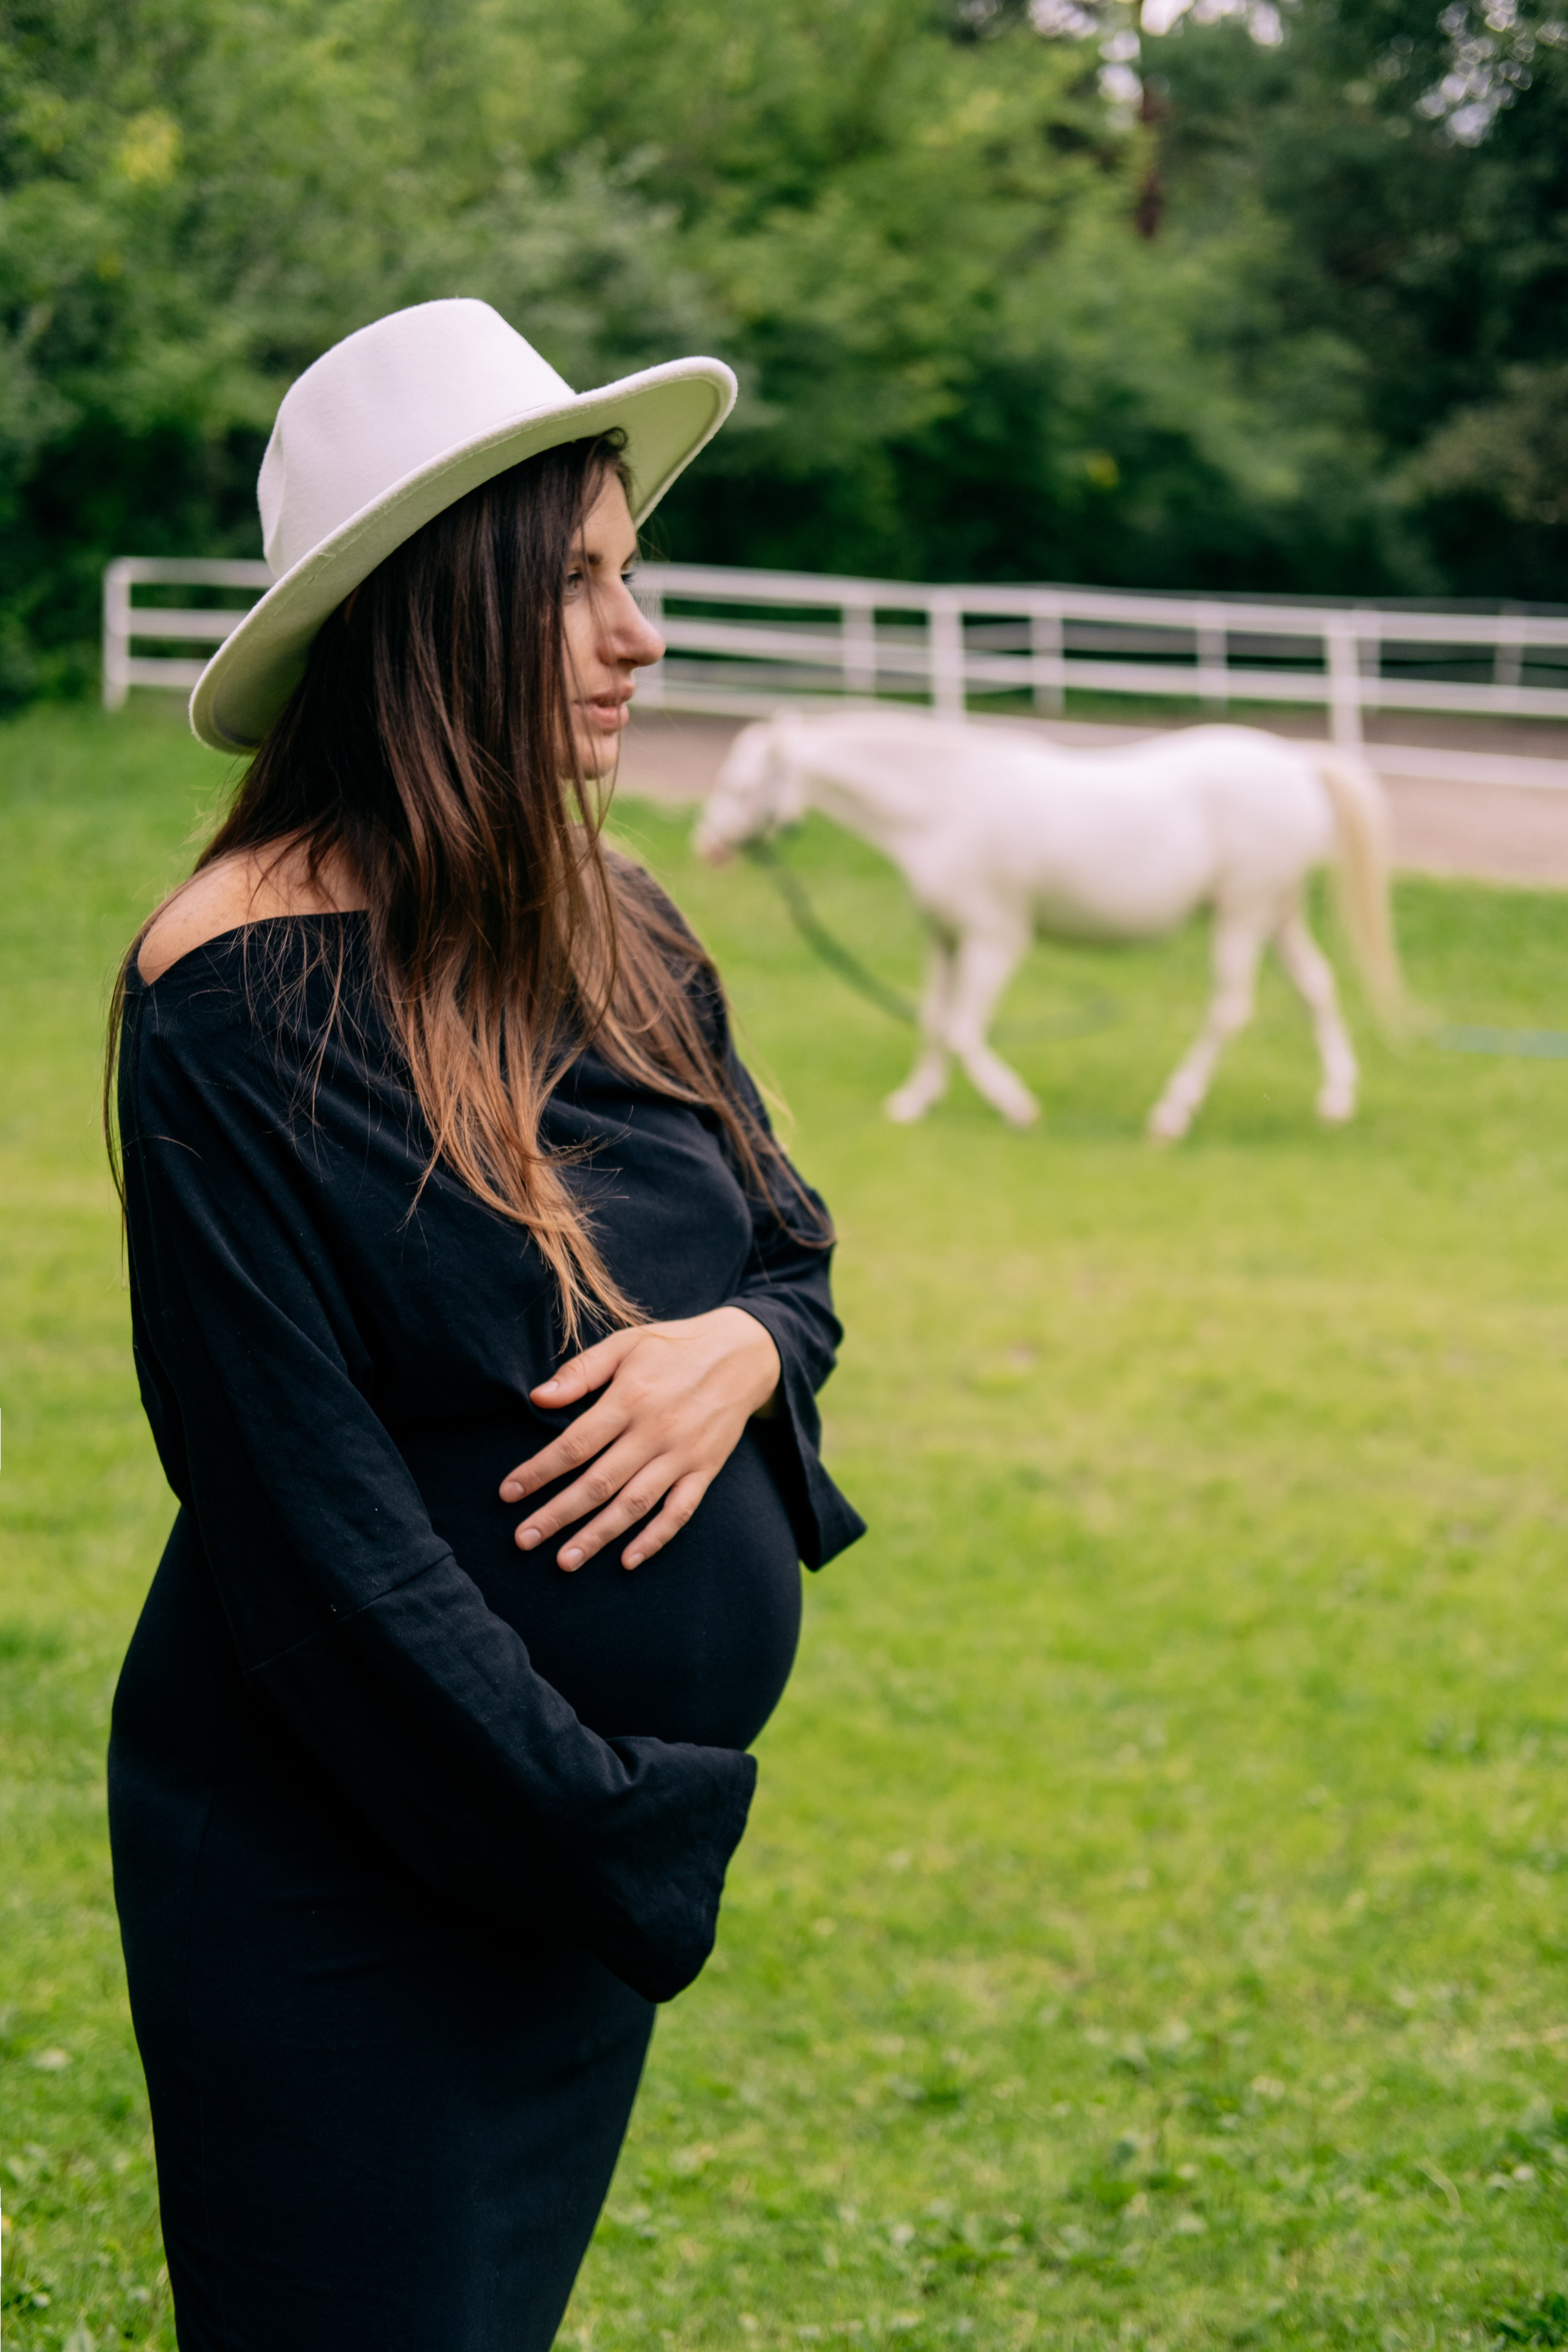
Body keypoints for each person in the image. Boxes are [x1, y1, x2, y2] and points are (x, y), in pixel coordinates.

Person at [104, 300, 864, 2352]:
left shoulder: (617, 921)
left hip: (557, 1875)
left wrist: (740, 1356)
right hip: (349, 1881)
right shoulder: (225, 998)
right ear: (436, 610)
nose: (645, 637)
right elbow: (313, 1537)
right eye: (583, 586)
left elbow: (786, 1253)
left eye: (635, 576)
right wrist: (622, 1818)